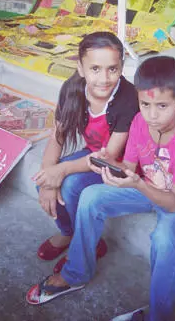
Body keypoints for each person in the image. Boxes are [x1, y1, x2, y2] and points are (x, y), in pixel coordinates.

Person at [26, 56, 175, 321]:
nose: (152, 115)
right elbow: (129, 166)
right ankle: (76, 274)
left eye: (162, 106)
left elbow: (174, 203)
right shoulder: (139, 122)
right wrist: (111, 166)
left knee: (163, 239)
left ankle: (158, 317)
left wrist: (136, 182)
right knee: (91, 196)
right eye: (145, 104)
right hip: (148, 185)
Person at [32, 31, 139, 275]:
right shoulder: (71, 88)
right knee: (42, 179)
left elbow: (108, 156)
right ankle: (69, 233)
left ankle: (89, 242)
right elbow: (57, 137)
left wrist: (63, 169)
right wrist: (48, 177)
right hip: (92, 155)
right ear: (80, 68)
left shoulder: (128, 98)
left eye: (113, 69)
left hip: (118, 165)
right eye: (95, 69)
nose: (104, 79)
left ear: (122, 67)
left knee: (70, 185)